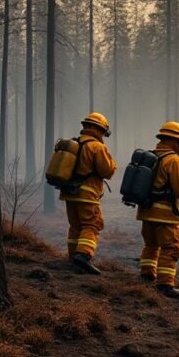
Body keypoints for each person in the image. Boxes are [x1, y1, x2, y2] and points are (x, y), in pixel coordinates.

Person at [136, 122, 179, 298]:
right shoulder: (174, 160)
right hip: (165, 214)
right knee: (172, 248)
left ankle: (147, 275)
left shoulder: (152, 157)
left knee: (151, 245)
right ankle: (165, 285)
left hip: (146, 212)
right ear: (176, 141)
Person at [60, 112, 117, 275]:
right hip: (87, 193)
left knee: (76, 225)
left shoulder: (75, 143)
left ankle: (73, 257)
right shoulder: (97, 147)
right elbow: (107, 171)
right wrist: (112, 163)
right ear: (100, 130)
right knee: (92, 224)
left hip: (69, 192)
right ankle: (83, 255)